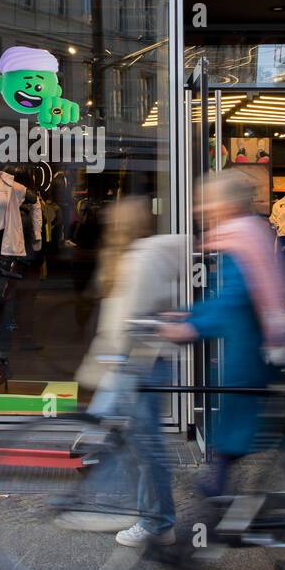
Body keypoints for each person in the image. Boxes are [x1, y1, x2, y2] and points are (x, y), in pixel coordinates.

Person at [72, 197, 184, 547]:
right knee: (131, 443)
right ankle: (136, 513)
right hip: (133, 364)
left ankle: (154, 521)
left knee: (140, 446)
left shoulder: (139, 261)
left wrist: (108, 366)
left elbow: (128, 322)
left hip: (138, 365)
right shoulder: (130, 259)